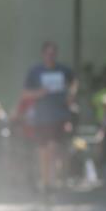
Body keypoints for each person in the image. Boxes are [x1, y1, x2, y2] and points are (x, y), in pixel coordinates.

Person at [22, 41, 76, 195]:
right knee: (43, 152)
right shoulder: (35, 71)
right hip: (41, 118)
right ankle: (46, 184)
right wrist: (39, 93)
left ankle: (52, 182)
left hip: (59, 116)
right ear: (43, 54)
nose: (50, 56)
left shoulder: (63, 70)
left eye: (53, 53)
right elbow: (25, 94)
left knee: (53, 150)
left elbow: (74, 82)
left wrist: (71, 95)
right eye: (48, 53)